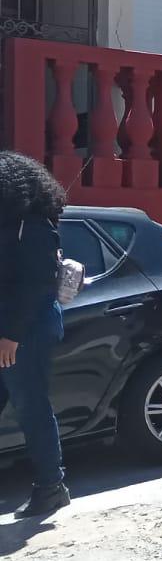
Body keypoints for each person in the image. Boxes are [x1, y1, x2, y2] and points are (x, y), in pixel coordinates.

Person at [0, 153, 70, 518]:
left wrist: (10, 335)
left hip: (25, 329)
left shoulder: (34, 226)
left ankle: (50, 486)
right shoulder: (12, 224)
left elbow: (33, 286)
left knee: (31, 405)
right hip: (12, 328)